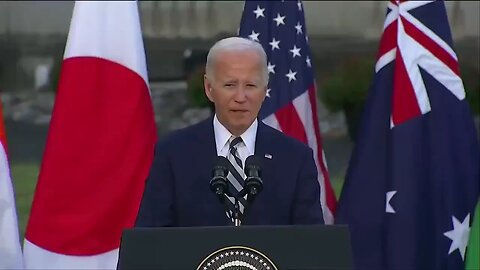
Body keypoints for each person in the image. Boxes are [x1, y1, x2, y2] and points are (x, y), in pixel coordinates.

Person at [135, 36, 324, 227]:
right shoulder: (173, 153)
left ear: (264, 90)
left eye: (250, 85)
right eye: (230, 85)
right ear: (209, 88)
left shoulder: (295, 158)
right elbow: (151, 242)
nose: (241, 97)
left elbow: (311, 245)